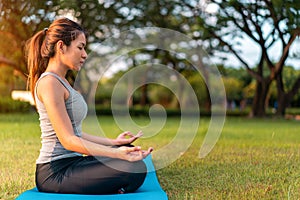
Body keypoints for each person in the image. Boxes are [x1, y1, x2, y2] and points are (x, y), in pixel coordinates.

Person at [25, 17, 153, 194]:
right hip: (54, 172)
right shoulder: (49, 83)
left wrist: (114, 143)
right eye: (80, 47)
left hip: (74, 162)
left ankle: (113, 183)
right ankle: (114, 185)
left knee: (130, 153)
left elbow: (76, 132)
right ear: (61, 46)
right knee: (131, 167)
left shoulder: (62, 82)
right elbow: (68, 140)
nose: (85, 54)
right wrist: (116, 153)